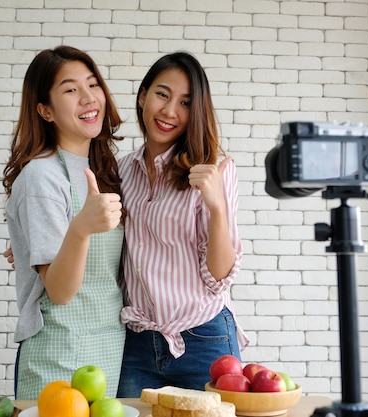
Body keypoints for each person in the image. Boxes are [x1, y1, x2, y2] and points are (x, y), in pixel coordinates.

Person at [115, 51, 249, 397]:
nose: (170, 111)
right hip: (137, 344)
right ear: (143, 95)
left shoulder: (215, 170)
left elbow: (218, 276)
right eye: (162, 94)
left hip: (204, 338)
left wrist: (217, 208)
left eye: (186, 102)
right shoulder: (122, 171)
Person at [1, 46, 126, 400]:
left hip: (110, 348)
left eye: (93, 84)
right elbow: (60, 291)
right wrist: (80, 228)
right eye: (71, 90)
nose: (89, 98)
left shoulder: (107, 171)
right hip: (58, 353)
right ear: (45, 110)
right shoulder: (41, 176)